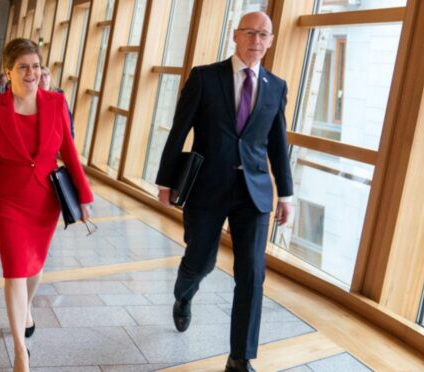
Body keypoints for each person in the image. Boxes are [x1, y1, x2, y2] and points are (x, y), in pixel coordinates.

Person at [155, 12, 293, 372]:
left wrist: (287, 194)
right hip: (208, 187)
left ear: (272, 41)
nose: (257, 41)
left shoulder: (276, 86)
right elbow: (179, 130)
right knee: (201, 260)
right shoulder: (205, 77)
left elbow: (278, 144)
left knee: (252, 272)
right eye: (250, 32)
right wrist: (165, 181)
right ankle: (184, 294)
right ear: (235, 35)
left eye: (264, 35)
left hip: (255, 192)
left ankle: (240, 358)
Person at [0, 38, 93, 372]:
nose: (31, 73)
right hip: (7, 200)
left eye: (35, 66)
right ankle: (20, 351)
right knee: (15, 270)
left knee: (34, 267)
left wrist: (85, 197)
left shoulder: (56, 103)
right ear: (8, 72)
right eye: (23, 67)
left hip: (45, 201)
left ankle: (26, 308)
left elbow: (69, 154)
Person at [39, 66, 75, 138]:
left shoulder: (59, 94)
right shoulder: (33, 96)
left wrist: (70, 136)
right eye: (40, 76)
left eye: (45, 75)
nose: (43, 79)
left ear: (50, 77)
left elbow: (67, 116)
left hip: (58, 133)